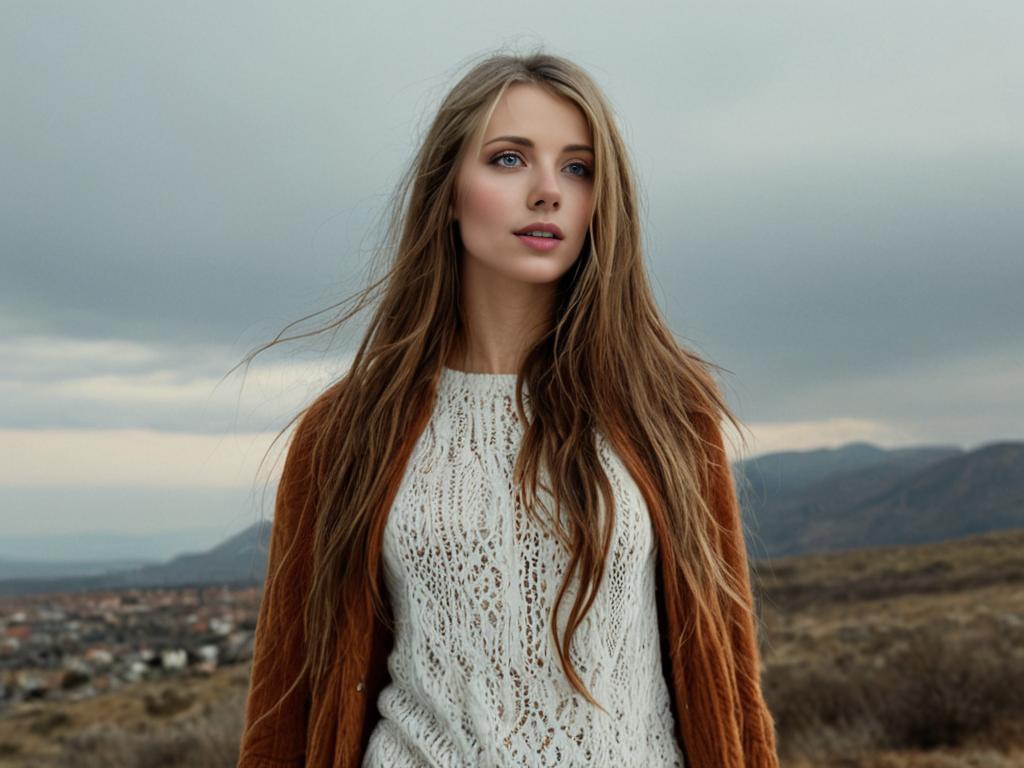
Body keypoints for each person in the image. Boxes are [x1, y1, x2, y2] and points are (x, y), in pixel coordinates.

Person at [235, 49, 779, 768]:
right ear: (448, 188)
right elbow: (288, 699)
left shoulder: (664, 410)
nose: (548, 190)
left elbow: (729, 688)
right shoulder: (344, 433)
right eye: (510, 159)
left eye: (577, 168)